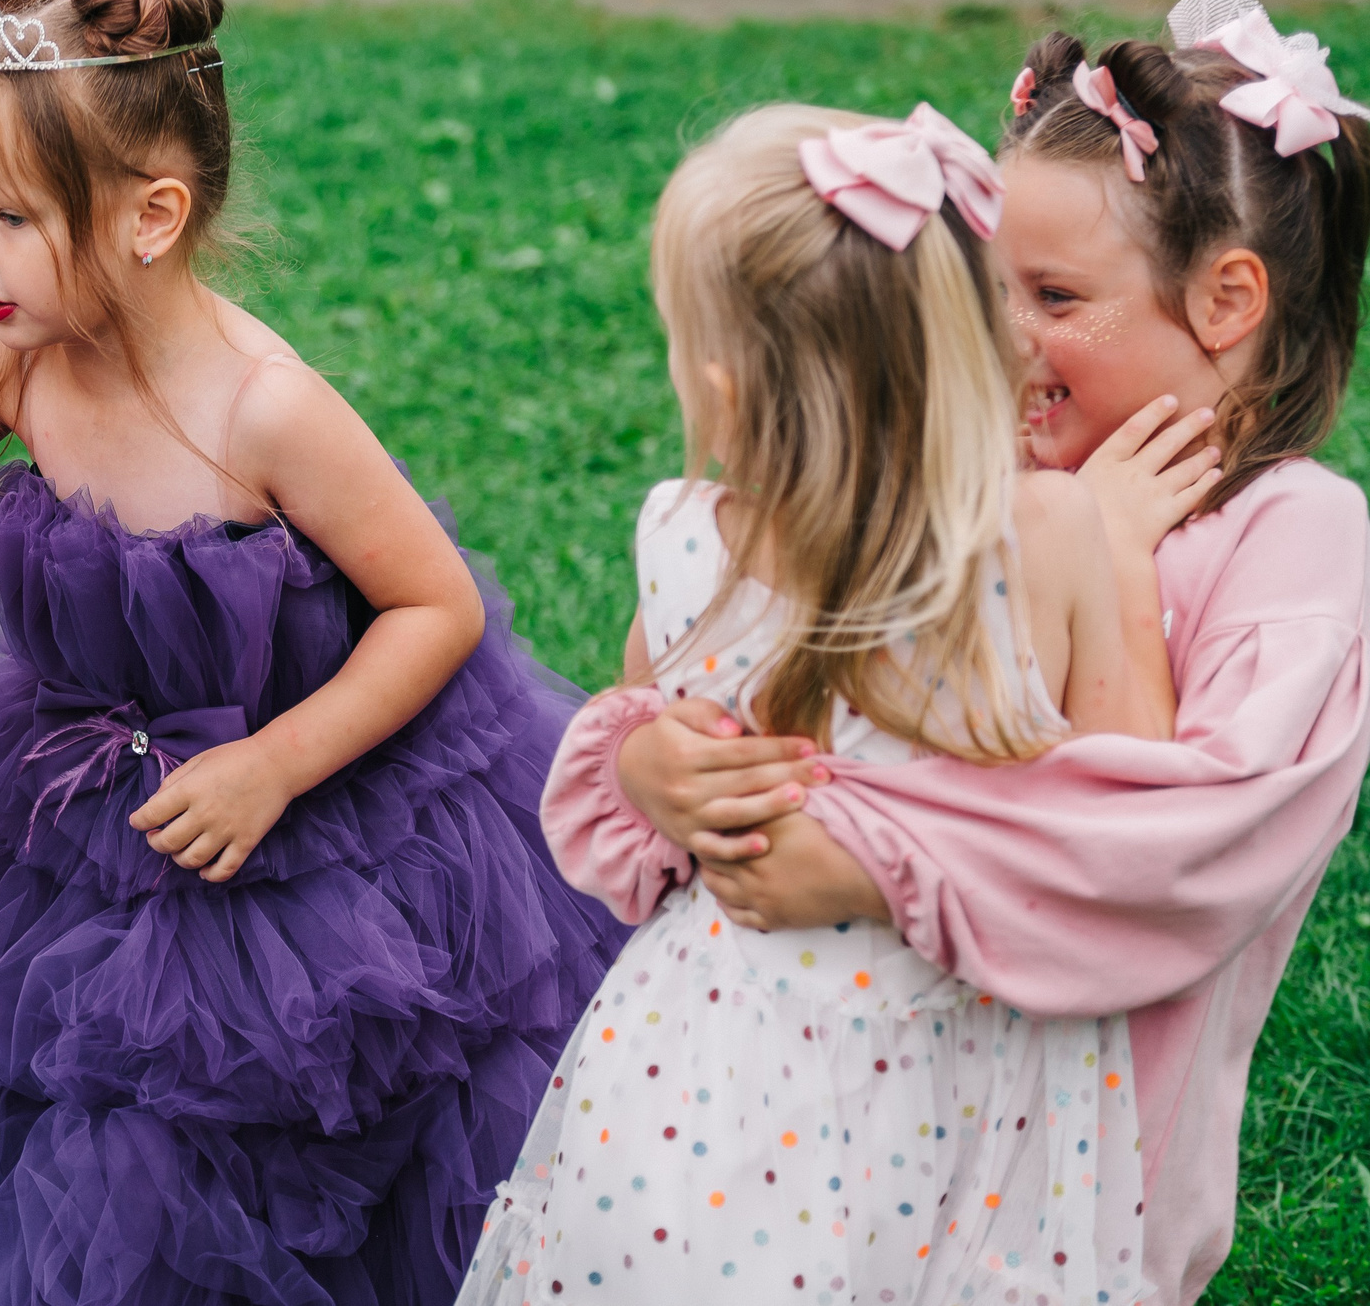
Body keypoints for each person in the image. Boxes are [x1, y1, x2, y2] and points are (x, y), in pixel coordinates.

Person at [0, 0, 632, 1304]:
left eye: (7, 215)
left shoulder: (265, 408)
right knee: (58, 1096)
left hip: (313, 824)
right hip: (71, 803)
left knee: (251, 1128)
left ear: (151, 215)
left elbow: (437, 605)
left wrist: (273, 763)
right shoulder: (14, 360)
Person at [543, 0, 1370, 1306]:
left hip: (1080, 1168)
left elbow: (1174, 846)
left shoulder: (1298, 544)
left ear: (1227, 298)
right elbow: (745, 669)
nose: (1005, 336)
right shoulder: (958, 494)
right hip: (835, 1141)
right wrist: (650, 767)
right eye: (990, 291)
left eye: (1052, 294)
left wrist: (865, 851)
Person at [460, 104, 1190, 1306]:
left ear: (725, 381)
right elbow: (1131, 801)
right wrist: (1121, 549)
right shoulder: (1052, 534)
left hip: (710, 1064)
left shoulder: (684, 534)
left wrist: (643, 765)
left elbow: (638, 716)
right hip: (958, 1066)